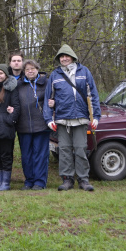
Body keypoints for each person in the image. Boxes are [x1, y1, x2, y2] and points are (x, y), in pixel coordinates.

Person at [44, 44, 101, 192]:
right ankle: (67, 179)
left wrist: (96, 116)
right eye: (61, 57)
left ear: (72, 57)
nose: (64, 59)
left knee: (81, 149)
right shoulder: (55, 75)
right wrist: (49, 119)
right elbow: (48, 99)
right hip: (62, 119)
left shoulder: (84, 72)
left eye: (66, 56)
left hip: (81, 118)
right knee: (64, 150)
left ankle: (83, 179)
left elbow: (93, 95)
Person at [16, 59, 51, 190]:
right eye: (27, 69)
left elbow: (54, 98)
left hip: (41, 125)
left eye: (33, 69)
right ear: (24, 72)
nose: (30, 71)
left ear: (37, 69)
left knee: (40, 155)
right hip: (23, 126)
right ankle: (29, 180)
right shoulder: (18, 85)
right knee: (26, 155)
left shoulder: (46, 83)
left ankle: (40, 182)